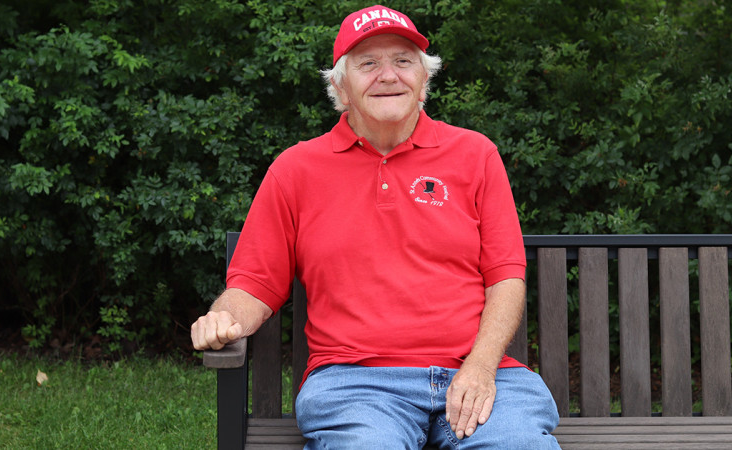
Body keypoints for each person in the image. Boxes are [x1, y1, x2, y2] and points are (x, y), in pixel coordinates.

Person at [192, 5, 560, 449]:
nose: (388, 76)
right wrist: (224, 319)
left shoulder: (476, 155)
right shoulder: (296, 170)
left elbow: (505, 276)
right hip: (356, 385)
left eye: (403, 61)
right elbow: (254, 284)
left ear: (424, 80)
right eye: (368, 64)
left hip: (478, 373)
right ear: (340, 87)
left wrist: (481, 366)